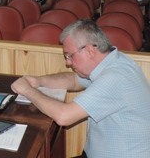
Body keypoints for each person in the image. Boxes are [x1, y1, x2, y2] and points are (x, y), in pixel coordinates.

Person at [11, 19, 150, 158]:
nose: (68, 62)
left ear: (89, 50)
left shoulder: (115, 77)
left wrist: (27, 91)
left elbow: (64, 116)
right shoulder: (112, 61)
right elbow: (74, 80)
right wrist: (38, 81)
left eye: (69, 55)